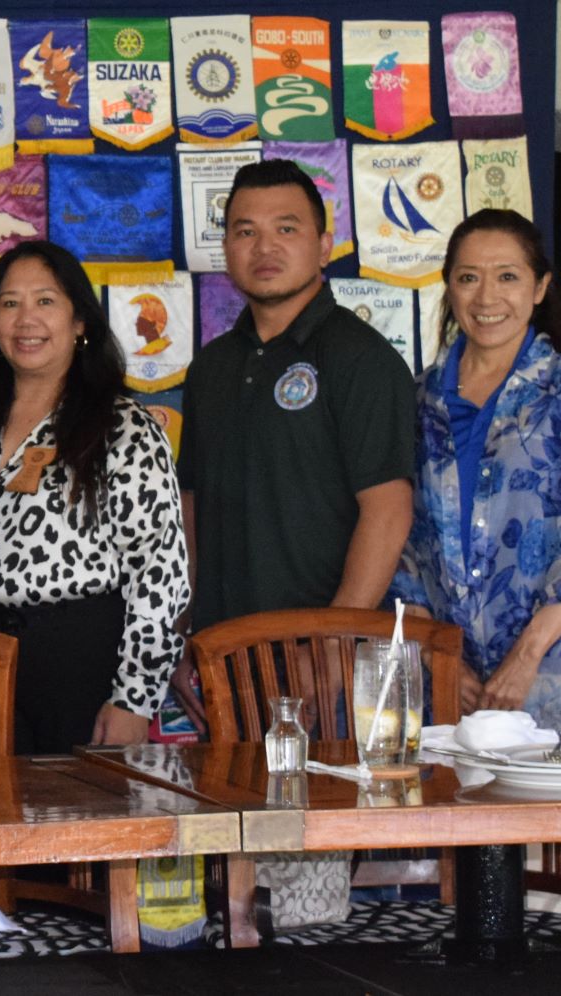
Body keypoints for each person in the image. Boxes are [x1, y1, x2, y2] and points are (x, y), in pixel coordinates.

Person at [175, 159, 416, 727]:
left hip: (325, 663)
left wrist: (331, 645)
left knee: (334, 815)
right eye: (245, 231)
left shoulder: (362, 359)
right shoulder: (211, 368)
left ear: (324, 244)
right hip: (227, 656)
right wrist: (183, 633)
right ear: (226, 248)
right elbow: (191, 509)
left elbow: (387, 509)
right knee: (235, 812)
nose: (265, 247)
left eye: (287, 228)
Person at [390, 209, 561, 732]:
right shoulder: (418, 400)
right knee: (451, 813)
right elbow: (401, 548)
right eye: (468, 277)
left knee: (558, 814)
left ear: (540, 288)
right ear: (449, 287)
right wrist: (437, 659)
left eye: (507, 276)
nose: (486, 298)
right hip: (449, 687)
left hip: (560, 673)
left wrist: (526, 656)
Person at [0, 241, 189, 752]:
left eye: (45, 301)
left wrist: (135, 698)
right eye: (9, 303)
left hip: (79, 664)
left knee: (76, 825)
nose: (26, 320)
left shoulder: (122, 426)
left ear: (79, 321)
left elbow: (160, 571)